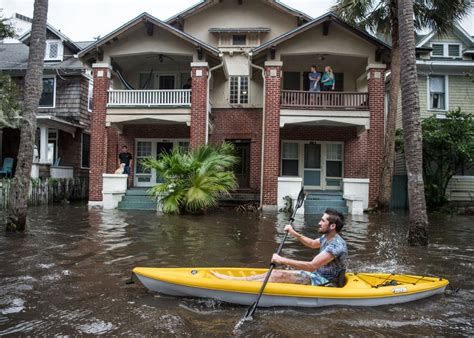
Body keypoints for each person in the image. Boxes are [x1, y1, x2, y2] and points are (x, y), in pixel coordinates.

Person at [212, 208, 348, 286]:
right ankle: (236, 281)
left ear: (332, 226)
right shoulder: (327, 237)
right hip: (318, 275)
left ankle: (237, 285)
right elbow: (312, 244)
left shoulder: (337, 245)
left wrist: (281, 260)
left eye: (323, 221)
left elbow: (312, 266)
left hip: (326, 282)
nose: (319, 223)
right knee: (274, 273)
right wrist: (294, 233)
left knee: (279, 275)